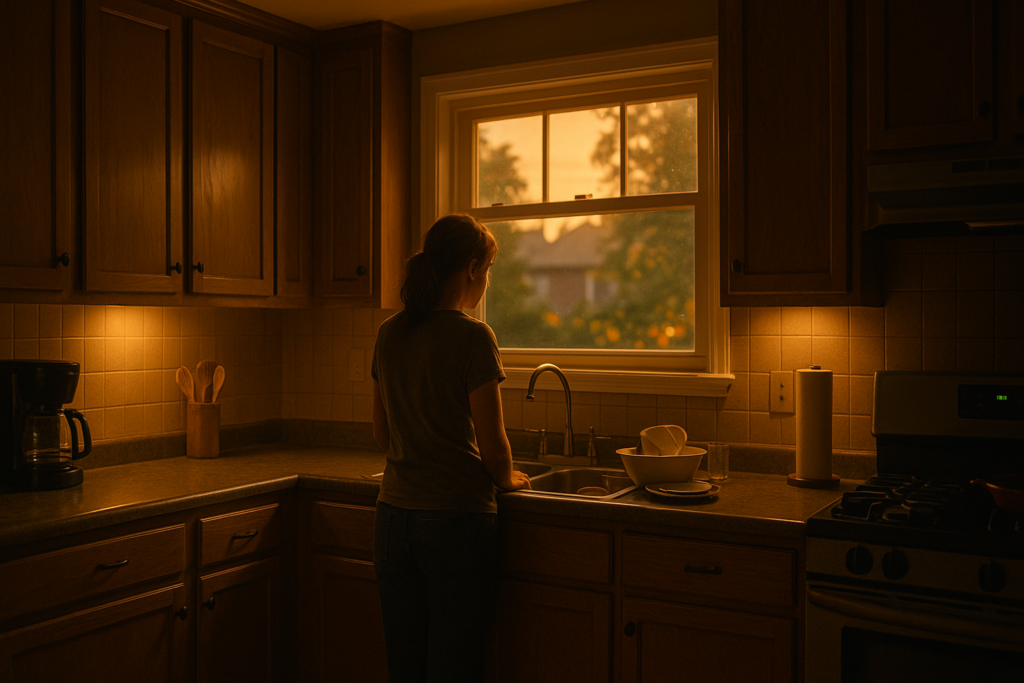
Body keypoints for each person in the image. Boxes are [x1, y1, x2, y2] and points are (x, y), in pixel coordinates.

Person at [370, 213, 532, 683]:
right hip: (456, 524)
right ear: (472, 268)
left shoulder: (389, 333)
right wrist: (507, 479)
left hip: (393, 519)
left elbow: (382, 435)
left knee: (406, 664)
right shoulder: (473, 337)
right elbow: (493, 443)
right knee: (454, 666)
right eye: (489, 270)